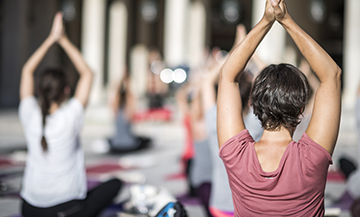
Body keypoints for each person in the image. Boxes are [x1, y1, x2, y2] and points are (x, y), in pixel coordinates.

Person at [217, 0, 341, 216]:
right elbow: (331, 75)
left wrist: (266, 20)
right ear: (300, 107)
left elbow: (228, 75)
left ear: (253, 104)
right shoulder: (312, 158)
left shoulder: (236, 155)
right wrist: (286, 20)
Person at [19, 12, 122, 217]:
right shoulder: (70, 116)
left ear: (40, 89)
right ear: (66, 90)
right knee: (115, 184)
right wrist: (63, 40)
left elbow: (27, 70)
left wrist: (50, 40)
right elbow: (88, 73)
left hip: (30, 209)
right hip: (68, 210)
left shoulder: (28, 114)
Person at [201, 29, 263, 217]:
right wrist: (250, 52)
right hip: (250, 205)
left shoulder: (215, 120)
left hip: (220, 204)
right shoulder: (257, 122)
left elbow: (205, 83)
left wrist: (231, 54)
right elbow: (269, 76)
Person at [107, 72, 152, 153]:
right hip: (129, 144)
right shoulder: (128, 111)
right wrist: (128, 83)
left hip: (116, 144)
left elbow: (115, 97)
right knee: (146, 140)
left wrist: (120, 83)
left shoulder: (115, 110)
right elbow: (132, 98)